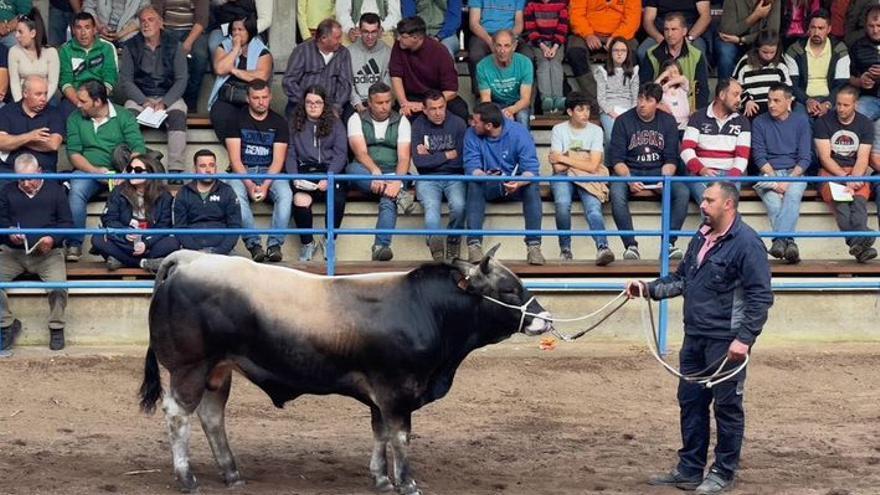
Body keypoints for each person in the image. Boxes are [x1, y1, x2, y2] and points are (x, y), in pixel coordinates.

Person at [631, 181, 773, 495]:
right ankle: (690, 469)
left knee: (727, 407)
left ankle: (723, 471)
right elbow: (682, 278)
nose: (703, 204)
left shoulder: (748, 243)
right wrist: (648, 288)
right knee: (691, 402)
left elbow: (760, 296)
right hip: (695, 336)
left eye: (709, 200)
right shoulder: (701, 235)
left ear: (728, 205)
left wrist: (745, 339)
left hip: (726, 341)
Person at [65, 79, 146, 262]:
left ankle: (125, 248)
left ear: (98, 101)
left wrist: (126, 173)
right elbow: (74, 155)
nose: (78, 104)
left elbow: (138, 148)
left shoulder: (124, 115)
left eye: (83, 101)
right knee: (76, 189)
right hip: (89, 171)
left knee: (135, 190)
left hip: (122, 172)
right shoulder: (74, 118)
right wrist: (94, 171)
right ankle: (75, 244)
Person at [608, 82, 689, 260]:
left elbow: (670, 158)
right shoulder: (623, 121)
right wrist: (628, 179)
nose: (642, 104)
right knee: (616, 191)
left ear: (658, 103)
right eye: (640, 99)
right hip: (630, 170)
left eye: (648, 100)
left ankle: (668, 243)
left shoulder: (667, 121)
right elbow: (617, 160)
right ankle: (630, 246)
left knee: (682, 192)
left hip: (658, 171)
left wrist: (664, 180)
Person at [0, 154, 73, 351]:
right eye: (20, 178)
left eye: (29, 178)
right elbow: (2, 220)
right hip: (14, 252)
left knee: (59, 287)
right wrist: (9, 233)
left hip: (47, 254)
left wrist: (52, 239)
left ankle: (56, 327)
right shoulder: (7, 190)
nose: (25, 183)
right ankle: (6, 325)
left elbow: (67, 224)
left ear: (40, 172)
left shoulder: (56, 191)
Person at [464, 102, 545, 265]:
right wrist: (485, 176)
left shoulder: (519, 132)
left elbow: (531, 170)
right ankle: (474, 246)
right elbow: (471, 167)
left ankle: (534, 246)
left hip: (514, 186)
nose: (472, 124)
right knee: (474, 184)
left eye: (476, 121)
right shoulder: (471, 134)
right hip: (488, 184)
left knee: (532, 186)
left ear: (488, 125)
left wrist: (519, 182)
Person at [225, 79, 291, 263]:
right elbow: (235, 160)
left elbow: (278, 161)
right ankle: (254, 245)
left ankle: (274, 245)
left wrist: (265, 186)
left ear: (270, 97)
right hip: (242, 171)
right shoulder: (235, 119)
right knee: (236, 196)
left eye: (264, 97)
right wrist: (249, 184)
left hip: (270, 171)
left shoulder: (279, 122)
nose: (261, 102)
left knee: (286, 194)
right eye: (256, 98)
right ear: (248, 98)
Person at [345, 82, 411, 261]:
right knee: (350, 170)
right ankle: (398, 194)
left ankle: (381, 246)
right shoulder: (356, 118)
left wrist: (397, 181)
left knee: (389, 199)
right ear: (370, 103)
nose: (385, 107)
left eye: (388, 102)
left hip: (392, 172)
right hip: (366, 171)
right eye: (380, 103)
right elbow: (360, 153)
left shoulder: (401, 120)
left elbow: (404, 157)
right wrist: (375, 171)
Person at [119, 6, 189, 174]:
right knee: (127, 118)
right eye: (143, 21)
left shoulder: (175, 45)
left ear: (160, 23)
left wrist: (165, 103)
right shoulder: (131, 46)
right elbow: (126, 80)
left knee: (178, 114)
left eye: (150, 20)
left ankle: (176, 169)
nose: (146, 24)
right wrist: (144, 101)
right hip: (140, 96)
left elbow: (181, 79)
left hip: (168, 96)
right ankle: (134, 167)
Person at [549, 91, 614, 265]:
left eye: (587, 109)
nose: (585, 113)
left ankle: (603, 248)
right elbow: (557, 167)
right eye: (580, 109)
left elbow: (593, 166)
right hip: (563, 176)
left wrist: (565, 156)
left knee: (593, 208)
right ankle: (565, 249)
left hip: (588, 175)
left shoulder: (596, 130)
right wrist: (582, 158)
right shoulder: (559, 129)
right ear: (570, 112)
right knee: (562, 204)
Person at [814, 85, 877, 263]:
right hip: (830, 171)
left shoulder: (865, 124)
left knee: (858, 205)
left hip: (856, 172)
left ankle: (858, 245)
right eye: (838, 104)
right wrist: (844, 178)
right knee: (841, 206)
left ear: (855, 104)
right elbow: (825, 158)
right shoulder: (823, 122)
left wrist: (854, 178)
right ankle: (865, 237)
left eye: (845, 105)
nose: (840, 109)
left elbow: (863, 157)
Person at [286, 85, 349, 262]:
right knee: (300, 200)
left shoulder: (336, 124)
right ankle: (308, 243)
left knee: (337, 198)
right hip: (305, 169)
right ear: (303, 104)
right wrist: (294, 176)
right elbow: (290, 153)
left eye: (317, 102)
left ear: (324, 104)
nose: (313, 106)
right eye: (309, 102)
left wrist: (329, 176)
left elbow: (341, 153)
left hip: (330, 169)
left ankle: (329, 240)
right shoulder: (294, 123)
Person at [751, 83, 812, 264]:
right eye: (769, 100)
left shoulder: (801, 120)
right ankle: (790, 243)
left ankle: (779, 241)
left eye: (776, 100)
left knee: (792, 196)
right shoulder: (759, 122)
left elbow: (805, 158)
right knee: (774, 204)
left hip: (795, 173)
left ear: (789, 101)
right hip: (769, 173)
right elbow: (759, 157)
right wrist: (776, 181)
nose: (771, 104)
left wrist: (787, 181)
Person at [89, 155, 179, 271]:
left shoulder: (164, 196)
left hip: (149, 242)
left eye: (138, 170)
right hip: (125, 240)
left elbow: (164, 226)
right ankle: (143, 263)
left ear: (151, 173)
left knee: (173, 242)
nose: (132, 173)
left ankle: (121, 260)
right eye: (130, 169)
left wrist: (146, 243)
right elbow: (109, 219)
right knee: (98, 238)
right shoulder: (119, 190)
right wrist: (125, 232)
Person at [410, 90, 467, 261]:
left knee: (459, 206)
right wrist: (447, 155)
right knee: (431, 209)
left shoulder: (458, 123)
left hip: (454, 176)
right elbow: (420, 162)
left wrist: (432, 156)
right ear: (425, 110)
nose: (438, 112)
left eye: (441, 107)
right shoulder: (418, 125)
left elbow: (461, 160)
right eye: (433, 109)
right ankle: (437, 251)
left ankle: (453, 241)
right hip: (427, 178)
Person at [681, 78, 752, 204]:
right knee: (709, 205)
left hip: (730, 175)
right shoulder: (698, 117)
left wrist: (732, 176)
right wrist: (701, 170)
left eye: (740, 95)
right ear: (722, 95)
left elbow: (742, 156)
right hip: (701, 174)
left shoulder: (743, 121)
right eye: (735, 95)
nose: (739, 100)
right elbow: (686, 149)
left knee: (727, 208)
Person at [389, 16, 469, 122]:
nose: (398, 39)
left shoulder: (440, 51)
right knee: (399, 116)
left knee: (460, 111)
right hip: (411, 96)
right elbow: (396, 76)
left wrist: (424, 105)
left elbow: (451, 91)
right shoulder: (399, 46)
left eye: (403, 36)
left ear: (416, 38)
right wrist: (404, 104)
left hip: (437, 96)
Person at [207, 16, 272, 142]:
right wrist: (235, 49)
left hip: (250, 98)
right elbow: (220, 69)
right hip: (227, 97)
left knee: (249, 119)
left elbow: (261, 76)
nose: (236, 33)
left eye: (241, 30)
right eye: (234, 30)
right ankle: (234, 153)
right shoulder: (224, 46)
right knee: (219, 114)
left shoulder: (262, 51)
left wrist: (233, 70)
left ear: (250, 31)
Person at [566, 0, 640, 104]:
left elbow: (633, 19)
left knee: (630, 51)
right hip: (588, 33)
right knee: (575, 51)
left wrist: (617, 37)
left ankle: (621, 96)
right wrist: (588, 34)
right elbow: (576, 14)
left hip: (621, 33)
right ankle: (596, 97)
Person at [0, 75, 65, 190]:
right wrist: (30, 136)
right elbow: (2, 143)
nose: (43, 98)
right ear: (25, 93)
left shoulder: (54, 113)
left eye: (45, 93)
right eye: (38, 94)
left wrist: (15, 141)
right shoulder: (7, 112)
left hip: (44, 173)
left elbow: (53, 144)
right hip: (10, 173)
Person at [172, 149, 242, 255]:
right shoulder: (184, 192)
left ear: (216, 168)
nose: (208, 170)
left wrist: (220, 251)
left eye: (211, 165)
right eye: (203, 166)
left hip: (223, 252)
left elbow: (235, 227)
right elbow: (180, 228)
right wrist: (197, 251)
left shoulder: (227, 191)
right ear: (195, 169)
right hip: (191, 251)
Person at [785, 9, 850, 120]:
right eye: (813, 28)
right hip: (803, 99)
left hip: (831, 98)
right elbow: (792, 84)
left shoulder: (839, 50)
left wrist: (828, 103)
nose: (816, 33)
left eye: (821, 28)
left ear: (829, 29)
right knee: (799, 120)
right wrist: (807, 101)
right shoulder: (795, 50)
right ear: (808, 29)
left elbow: (841, 84)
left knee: (837, 118)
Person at [282, 18, 352, 118]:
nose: (341, 41)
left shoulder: (343, 53)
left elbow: (346, 84)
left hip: (330, 106)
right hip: (301, 104)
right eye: (337, 38)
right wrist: (308, 103)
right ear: (323, 38)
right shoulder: (302, 50)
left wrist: (336, 106)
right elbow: (289, 82)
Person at [642, 12, 710, 112]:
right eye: (666, 29)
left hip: (687, 110)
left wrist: (696, 114)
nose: (669, 34)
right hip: (659, 110)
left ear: (684, 31)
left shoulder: (696, 55)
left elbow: (703, 90)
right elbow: (645, 87)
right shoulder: (651, 54)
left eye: (674, 29)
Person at [152, 0, 210, 112]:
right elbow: (156, 14)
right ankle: (164, 100)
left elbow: (202, 20)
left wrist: (188, 42)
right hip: (167, 29)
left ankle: (190, 101)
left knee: (200, 56)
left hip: (192, 31)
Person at [58, 12, 118, 118]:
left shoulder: (107, 47)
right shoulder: (65, 50)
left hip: (101, 97)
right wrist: (80, 103)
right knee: (65, 115)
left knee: (113, 121)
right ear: (73, 30)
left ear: (94, 30)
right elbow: (65, 82)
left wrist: (96, 101)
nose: (83, 33)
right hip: (75, 98)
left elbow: (110, 78)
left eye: (87, 27)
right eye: (79, 28)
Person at [476, 29, 533, 128]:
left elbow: (525, 99)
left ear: (514, 46)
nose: (502, 50)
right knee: (489, 118)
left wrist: (511, 110)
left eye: (507, 46)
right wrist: (498, 114)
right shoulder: (482, 66)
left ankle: (524, 142)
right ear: (493, 46)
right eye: (499, 45)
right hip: (495, 103)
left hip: (517, 103)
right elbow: (486, 99)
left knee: (522, 116)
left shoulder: (525, 63)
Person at [467, 0, 525, 97]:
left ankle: (520, 95)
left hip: (511, 34)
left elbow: (519, 24)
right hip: (484, 34)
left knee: (527, 55)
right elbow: (474, 24)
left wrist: (507, 40)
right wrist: (490, 41)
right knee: (476, 55)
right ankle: (481, 96)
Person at [733, 30, 794, 118]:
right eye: (765, 52)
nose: (769, 56)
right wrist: (746, 101)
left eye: (772, 52)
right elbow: (736, 85)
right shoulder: (745, 63)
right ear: (757, 49)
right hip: (753, 105)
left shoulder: (780, 63)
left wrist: (787, 104)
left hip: (775, 103)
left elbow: (787, 87)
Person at [521, 0, 568, 113]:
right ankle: (546, 99)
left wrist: (554, 47)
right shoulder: (531, 5)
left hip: (556, 43)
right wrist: (543, 46)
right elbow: (531, 29)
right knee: (544, 64)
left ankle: (558, 98)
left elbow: (563, 28)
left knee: (555, 63)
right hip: (537, 43)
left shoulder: (562, 4)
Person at [716, 0, 782, 80]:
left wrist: (742, 39)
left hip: (758, 41)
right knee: (726, 51)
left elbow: (771, 32)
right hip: (732, 41)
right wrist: (755, 16)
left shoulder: (774, 1)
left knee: (769, 48)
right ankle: (725, 88)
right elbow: (727, 31)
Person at [7, 9, 59, 103]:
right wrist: (21, 105)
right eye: (16, 31)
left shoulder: (51, 52)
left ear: (33, 33)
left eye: (20, 32)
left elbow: (53, 83)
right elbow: (14, 83)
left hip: (45, 97)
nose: (16, 35)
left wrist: (42, 101)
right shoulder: (14, 51)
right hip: (22, 97)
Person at [595, 36, 639, 145]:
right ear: (610, 53)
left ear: (627, 53)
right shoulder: (602, 72)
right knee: (611, 137)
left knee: (632, 138)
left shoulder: (634, 72)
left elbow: (635, 97)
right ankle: (609, 162)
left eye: (623, 51)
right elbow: (601, 98)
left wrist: (629, 113)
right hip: (609, 111)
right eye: (616, 50)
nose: (619, 54)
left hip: (628, 110)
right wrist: (612, 113)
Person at [638, 0, 711, 63]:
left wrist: (690, 38)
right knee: (642, 52)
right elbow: (648, 20)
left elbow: (705, 16)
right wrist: (659, 38)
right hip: (662, 33)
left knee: (698, 52)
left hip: (690, 33)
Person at [348, 13, 391, 119]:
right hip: (355, 102)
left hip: (380, 100)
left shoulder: (387, 52)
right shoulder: (349, 52)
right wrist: (358, 104)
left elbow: (387, 82)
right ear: (359, 31)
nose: (370, 36)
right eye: (366, 32)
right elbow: (348, 83)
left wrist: (376, 104)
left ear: (380, 31)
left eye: (374, 32)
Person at [848, 6, 880, 121]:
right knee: (854, 116)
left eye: (879, 26)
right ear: (865, 26)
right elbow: (847, 76)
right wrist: (860, 82)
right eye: (871, 26)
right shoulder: (857, 47)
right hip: (870, 99)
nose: (875, 30)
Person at [207, 0, 274, 54]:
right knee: (215, 45)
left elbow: (266, 20)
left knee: (252, 47)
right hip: (224, 28)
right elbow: (212, 4)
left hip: (252, 29)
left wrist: (245, 30)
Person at [82, 0, 149, 44]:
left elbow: (144, 16)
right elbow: (88, 7)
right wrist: (99, 26)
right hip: (100, 31)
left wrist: (121, 33)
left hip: (128, 33)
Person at [656, 59, 691, 131]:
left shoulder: (683, 88)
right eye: (669, 73)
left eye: (675, 72)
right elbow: (652, 90)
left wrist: (668, 84)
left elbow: (683, 79)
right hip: (668, 125)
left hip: (684, 125)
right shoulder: (662, 89)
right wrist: (662, 76)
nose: (672, 75)